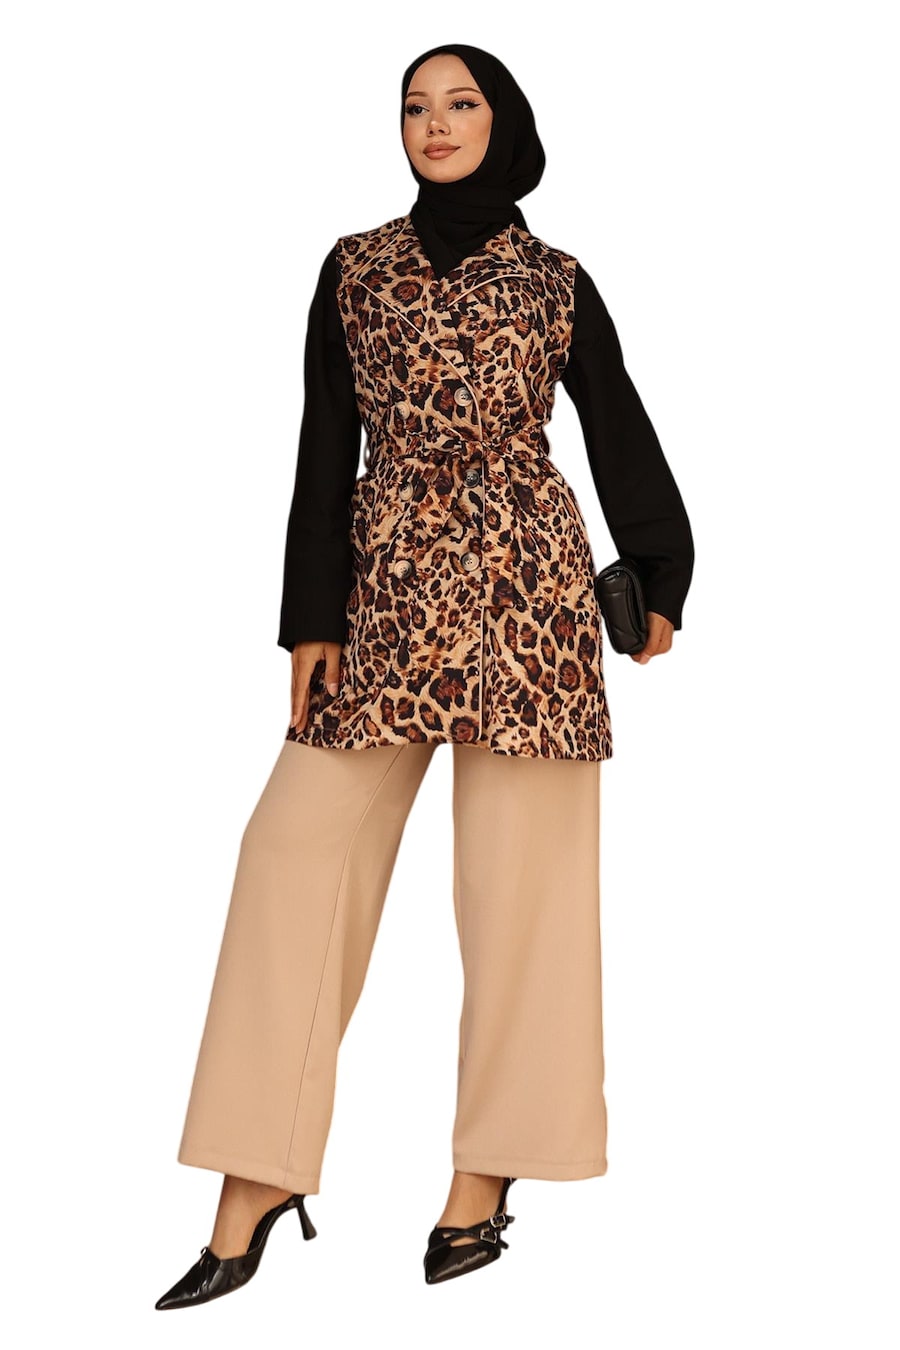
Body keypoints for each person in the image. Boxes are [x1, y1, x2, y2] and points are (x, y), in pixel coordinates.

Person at [155, 42, 694, 1308]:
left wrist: (660, 573)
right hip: (386, 585)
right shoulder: (354, 267)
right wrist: (308, 617)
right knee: (292, 855)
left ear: (505, 124)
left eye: (461, 104)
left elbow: (615, 420)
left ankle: (485, 1176)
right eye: (415, 106)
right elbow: (322, 443)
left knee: (524, 895)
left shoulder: (557, 280)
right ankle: (255, 1175)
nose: (434, 123)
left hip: (526, 596)